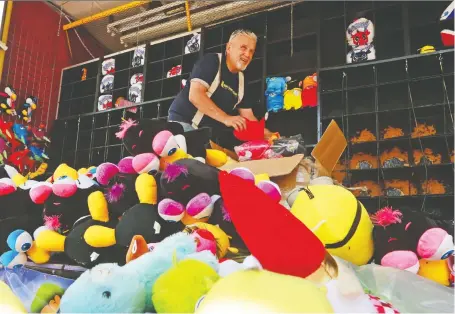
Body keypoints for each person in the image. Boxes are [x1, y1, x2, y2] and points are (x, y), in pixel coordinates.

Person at [168, 29, 274, 148]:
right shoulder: (211, 61)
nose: (247, 54)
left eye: (251, 51)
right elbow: (195, 95)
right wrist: (227, 119)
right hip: (183, 123)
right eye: (243, 48)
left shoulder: (242, 82)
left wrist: (269, 136)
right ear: (229, 48)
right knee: (184, 163)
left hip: (205, 134)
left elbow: (248, 117)